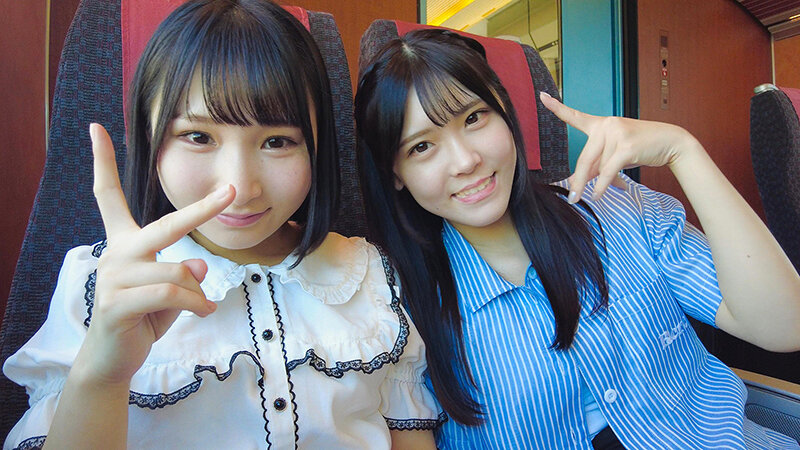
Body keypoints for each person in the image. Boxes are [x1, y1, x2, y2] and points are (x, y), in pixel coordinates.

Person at [3, 2, 442, 448]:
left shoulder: (370, 278)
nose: (240, 188)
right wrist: (102, 375)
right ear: (149, 136)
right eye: (198, 137)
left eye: (277, 141)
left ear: (317, 147)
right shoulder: (98, 285)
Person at [354, 28, 800, 449]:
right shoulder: (396, 306)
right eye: (422, 146)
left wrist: (682, 150)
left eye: (474, 117)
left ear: (505, 113)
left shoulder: (617, 205)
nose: (465, 161)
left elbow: (784, 327)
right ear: (395, 173)